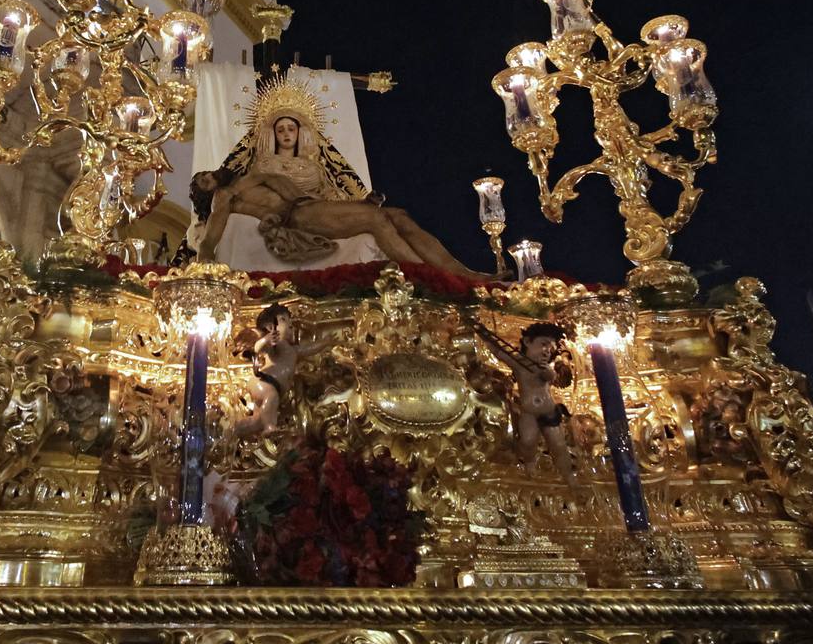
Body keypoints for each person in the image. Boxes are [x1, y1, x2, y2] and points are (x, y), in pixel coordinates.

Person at [190, 168, 488, 280]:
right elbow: (212, 231)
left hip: (310, 205)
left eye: (206, 173)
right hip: (300, 217)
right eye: (203, 182)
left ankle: (461, 272)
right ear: (205, 194)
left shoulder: (247, 177)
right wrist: (203, 258)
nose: (208, 177)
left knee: (398, 216)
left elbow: (288, 185)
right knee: (376, 219)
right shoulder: (226, 196)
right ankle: (427, 278)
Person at [478, 321, 578, 486]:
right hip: (528, 412)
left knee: (558, 444)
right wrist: (485, 336)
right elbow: (499, 352)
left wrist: (545, 370)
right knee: (528, 441)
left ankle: (568, 476)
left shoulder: (547, 368)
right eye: (543, 344)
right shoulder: (519, 364)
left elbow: (549, 376)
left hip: (549, 412)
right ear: (527, 342)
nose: (547, 350)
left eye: (551, 348)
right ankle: (530, 470)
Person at [232, 303, 331, 436]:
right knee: (271, 396)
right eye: (283, 320)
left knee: (256, 420)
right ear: (270, 327)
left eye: (290, 322)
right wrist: (266, 339)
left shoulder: (293, 350)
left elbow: (309, 349)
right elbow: (257, 348)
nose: (290, 325)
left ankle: (233, 430)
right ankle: (269, 426)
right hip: (264, 382)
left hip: (270, 385)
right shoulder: (276, 345)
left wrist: (325, 343)